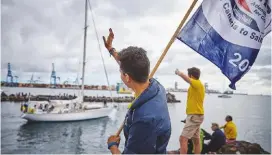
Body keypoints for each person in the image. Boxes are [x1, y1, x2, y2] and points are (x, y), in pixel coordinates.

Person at [103, 28, 171, 154]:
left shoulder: (144, 119)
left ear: (127, 77)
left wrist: (112, 146)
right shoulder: (156, 87)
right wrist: (111, 49)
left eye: (121, 72)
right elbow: (128, 65)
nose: (120, 72)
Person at [175, 67, 205, 154]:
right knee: (196, 140)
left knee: (183, 139)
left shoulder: (197, 84)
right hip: (196, 115)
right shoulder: (197, 85)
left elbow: (188, 80)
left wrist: (179, 72)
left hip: (194, 116)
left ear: (191, 75)